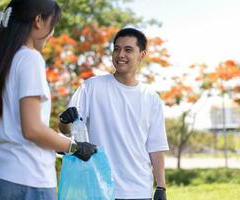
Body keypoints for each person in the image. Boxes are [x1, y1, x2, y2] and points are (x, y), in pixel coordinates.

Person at [0, 0, 97, 199]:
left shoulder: (5, 59)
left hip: (2, 177)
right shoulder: (29, 58)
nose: (52, 34)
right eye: (52, 25)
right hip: (29, 180)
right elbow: (32, 129)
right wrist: (74, 147)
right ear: (38, 21)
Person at [59, 28, 169, 200]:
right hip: (99, 189)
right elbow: (67, 129)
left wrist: (161, 186)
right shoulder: (92, 87)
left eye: (128, 50)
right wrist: (64, 120)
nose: (120, 54)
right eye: (116, 49)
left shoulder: (151, 97)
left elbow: (155, 147)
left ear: (142, 55)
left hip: (139, 191)